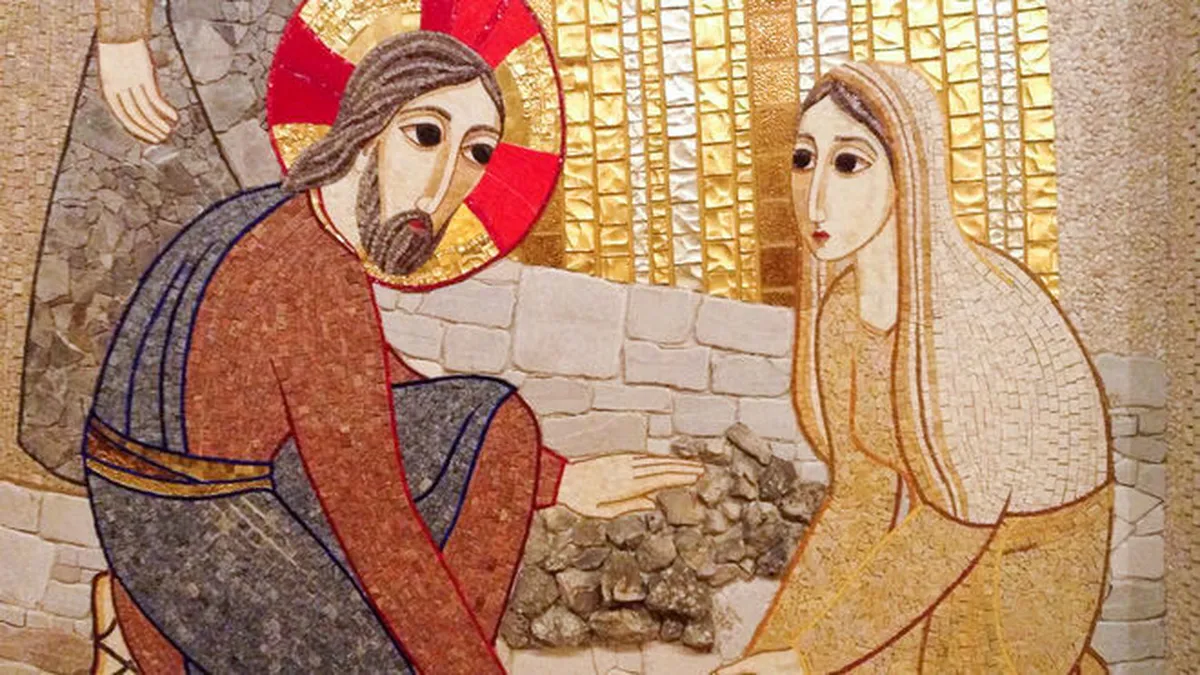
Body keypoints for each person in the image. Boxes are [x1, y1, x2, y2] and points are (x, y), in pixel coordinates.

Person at [85, 26, 701, 674]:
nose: (441, 184)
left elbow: (373, 384)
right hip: (184, 530)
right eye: (426, 134)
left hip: (191, 492)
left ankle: (140, 621)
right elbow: (375, 523)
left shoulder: (281, 216)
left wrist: (559, 479)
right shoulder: (311, 273)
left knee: (493, 423)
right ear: (366, 125)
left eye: (477, 152)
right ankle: (144, 628)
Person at [716, 62, 1113, 674]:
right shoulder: (842, 314)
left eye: (849, 163)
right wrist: (770, 653)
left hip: (1025, 563)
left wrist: (807, 659)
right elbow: (860, 503)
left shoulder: (970, 318)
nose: (815, 197)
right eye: (803, 159)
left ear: (908, 169)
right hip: (937, 546)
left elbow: (958, 527)